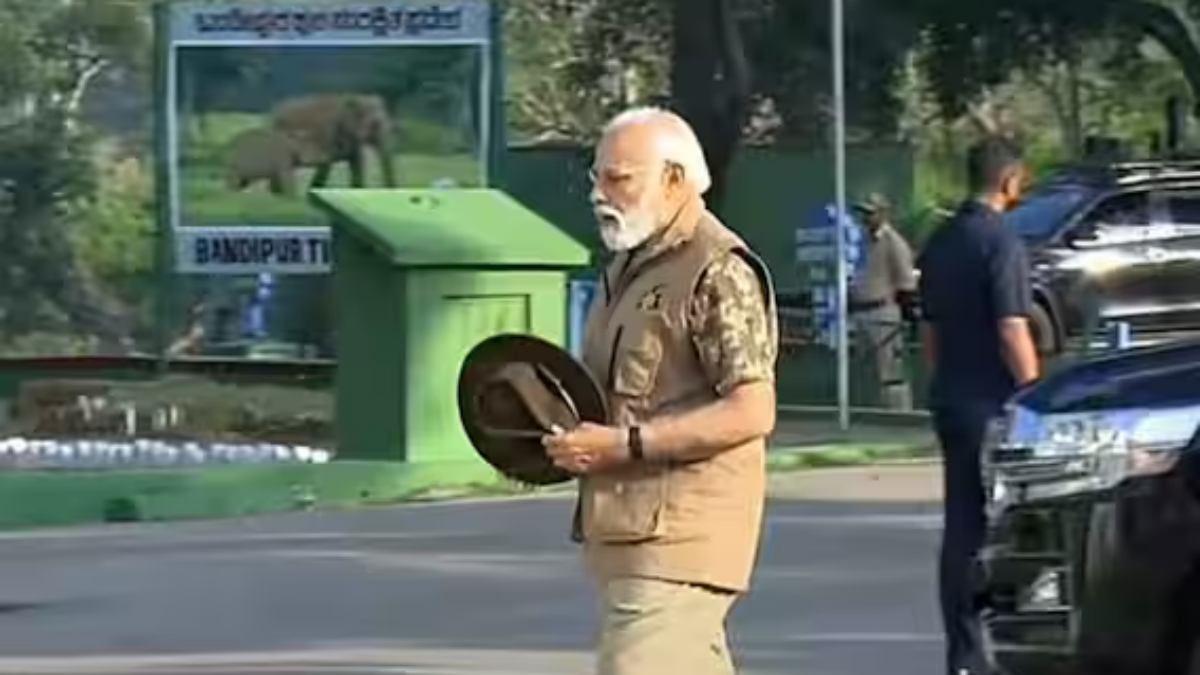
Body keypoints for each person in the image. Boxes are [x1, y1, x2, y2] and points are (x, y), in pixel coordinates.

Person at [542, 107, 779, 675]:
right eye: (595, 178)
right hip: (629, 535)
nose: (600, 194)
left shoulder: (716, 268)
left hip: (679, 542)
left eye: (618, 178)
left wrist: (625, 446)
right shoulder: (629, 267)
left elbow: (753, 409)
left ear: (674, 179)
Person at [916, 137, 1041, 675]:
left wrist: (943, 382)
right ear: (1011, 182)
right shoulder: (1003, 243)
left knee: (961, 529)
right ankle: (1016, 643)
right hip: (996, 406)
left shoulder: (940, 241)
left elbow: (931, 333)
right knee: (1017, 526)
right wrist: (1037, 394)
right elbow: (1012, 327)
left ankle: (964, 654)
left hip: (952, 400)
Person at [850, 192, 918, 410]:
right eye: (862, 213)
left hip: (883, 312)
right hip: (860, 312)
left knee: (890, 372)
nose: (865, 218)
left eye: (870, 213)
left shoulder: (894, 243)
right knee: (866, 373)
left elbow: (906, 284)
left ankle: (900, 417)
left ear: (882, 214)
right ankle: (868, 417)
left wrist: (906, 315)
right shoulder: (860, 241)